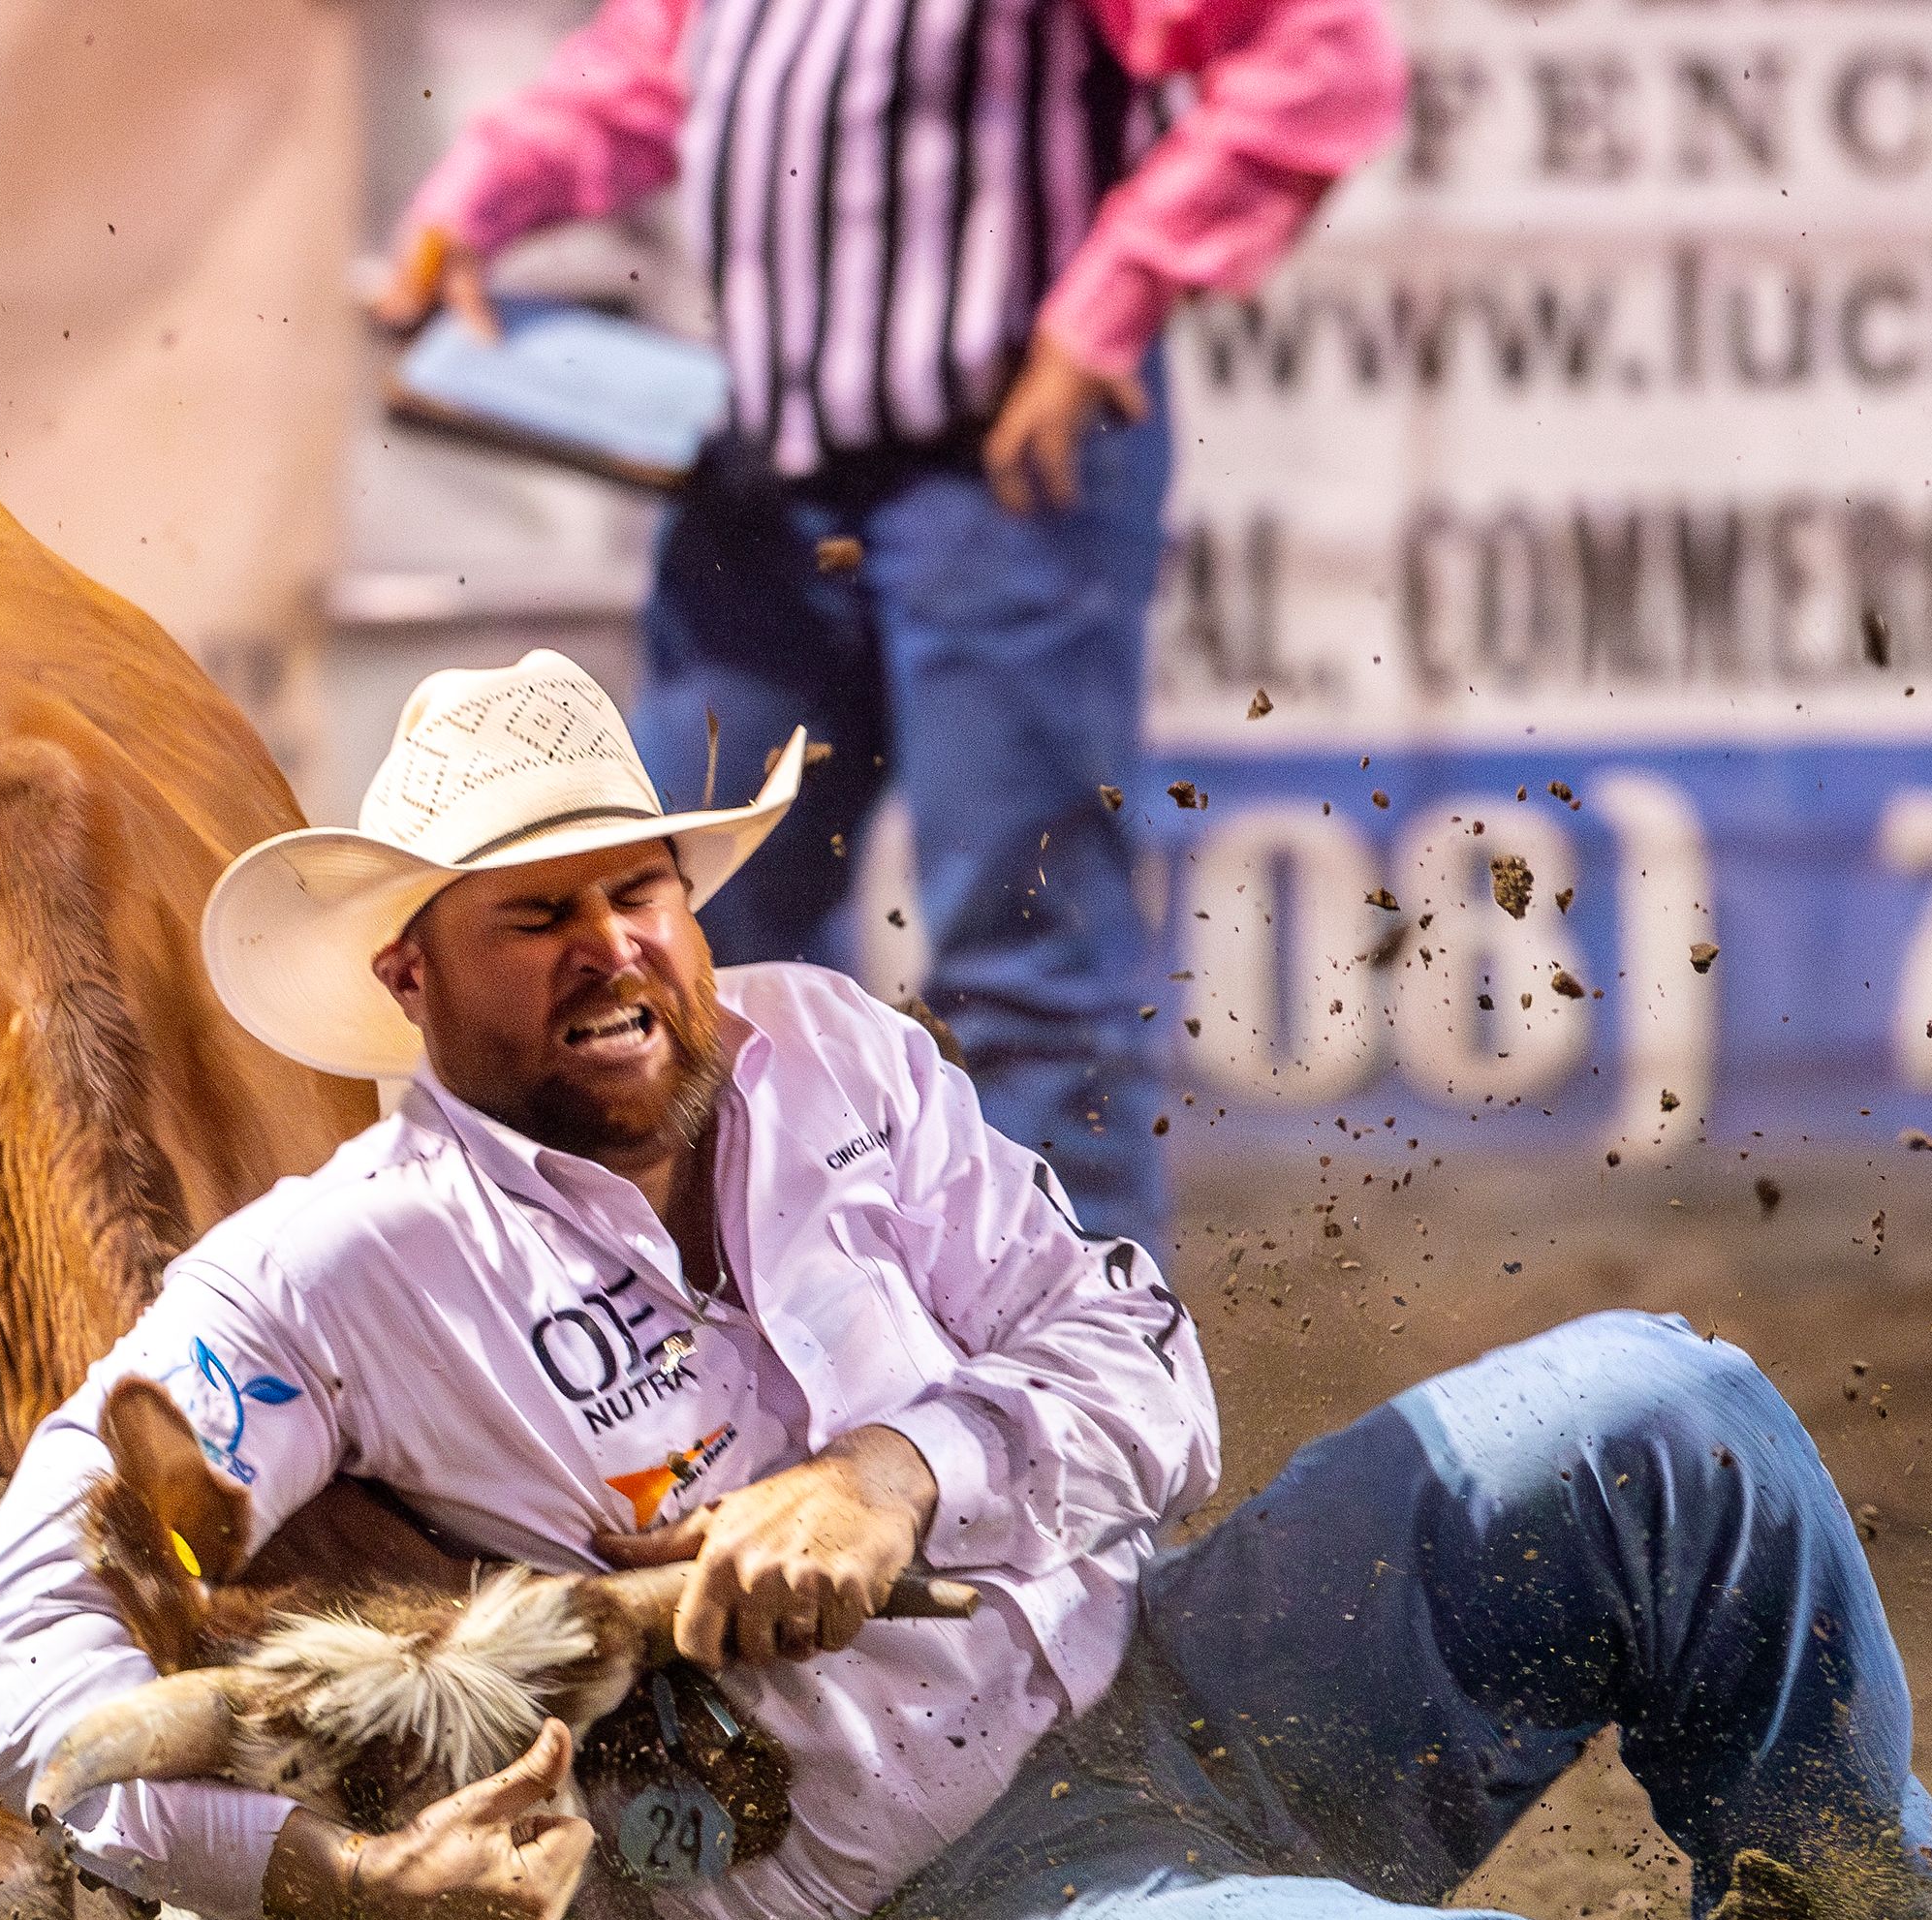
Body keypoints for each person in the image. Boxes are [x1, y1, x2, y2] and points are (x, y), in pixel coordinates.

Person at [0, 651, 1932, 1920]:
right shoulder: (327, 1275)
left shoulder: (834, 1053)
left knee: (1669, 1411)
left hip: (1182, 1680)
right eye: (535, 915)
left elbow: (1147, 1381)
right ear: (412, 974)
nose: (615, 949)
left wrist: (896, 1467)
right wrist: (326, 1884)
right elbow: (2, 1661)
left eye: (638, 888)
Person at [369, 0, 1407, 1242]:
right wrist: (482, 190)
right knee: (692, 929)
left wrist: (1104, 310)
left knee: (1024, 959)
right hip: (769, 484)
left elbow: (1319, 54)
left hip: (1003, 473)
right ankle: (730, 1342)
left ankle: (1094, 1396)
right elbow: (655, 66)